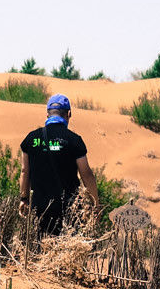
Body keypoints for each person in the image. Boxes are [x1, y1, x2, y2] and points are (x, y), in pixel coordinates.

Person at [19, 94, 100, 234]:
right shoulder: (74, 140)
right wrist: (95, 205)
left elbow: (24, 171)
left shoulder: (31, 139)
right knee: (67, 250)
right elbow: (86, 174)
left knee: (40, 249)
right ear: (69, 114)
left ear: (47, 114)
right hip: (69, 209)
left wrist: (24, 199)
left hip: (39, 208)